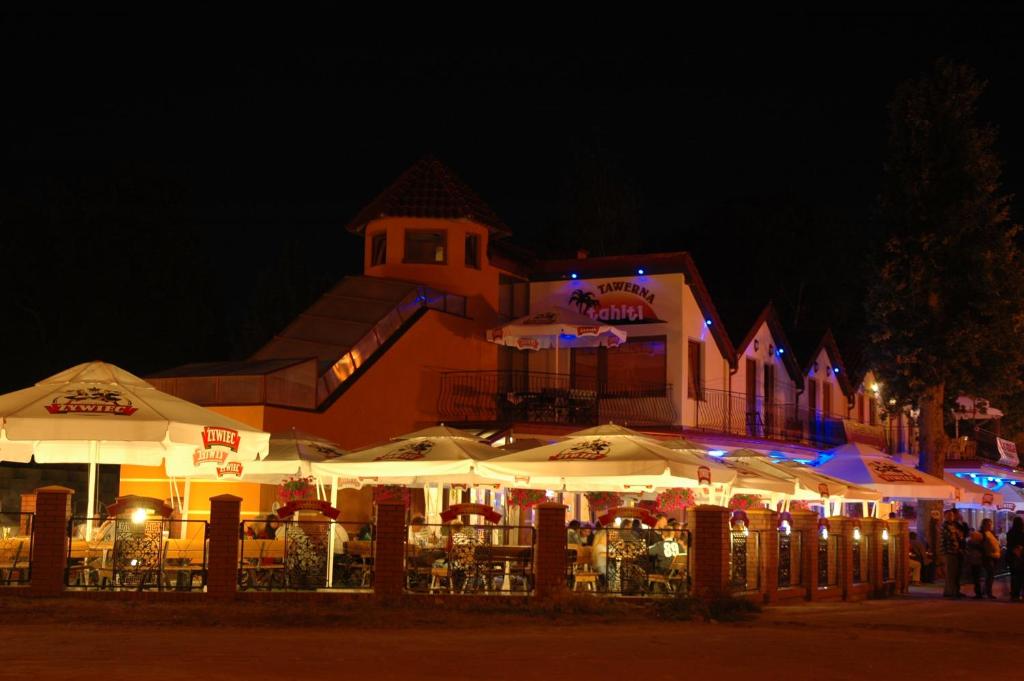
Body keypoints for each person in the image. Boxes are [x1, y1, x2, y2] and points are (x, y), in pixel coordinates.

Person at [940, 510, 964, 598]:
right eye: (949, 515)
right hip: (948, 552)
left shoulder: (954, 525)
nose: (951, 517)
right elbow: (950, 536)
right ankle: (950, 592)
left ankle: (951, 591)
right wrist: (956, 534)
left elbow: (961, 536)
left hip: (955, 552)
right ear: (945, 516)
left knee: (954, 573)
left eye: (952, 515)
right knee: (950, 573)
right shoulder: (944, 526)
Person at [979, 518, 1000, 599]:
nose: (990, 526)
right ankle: (988, 592)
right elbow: (981, 545)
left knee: (990, 574)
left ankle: (985, 590)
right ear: (984, 525)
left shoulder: (991, 533)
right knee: (990, 573)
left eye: (991, 524)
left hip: (994, 556)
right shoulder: (982, 533)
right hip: (987, 557)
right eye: (988, 524)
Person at [1006, 516, 1024, 602]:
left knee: (1014, 576)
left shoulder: (1010, 533)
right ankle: (1019, 593)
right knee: (1020, 576)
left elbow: (1009, 545)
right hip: (1020, 557)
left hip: (1012, 557)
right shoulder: (1021, 533)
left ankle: (1014, 594)